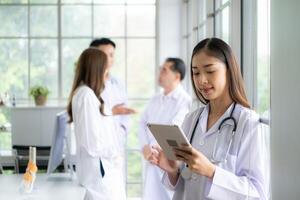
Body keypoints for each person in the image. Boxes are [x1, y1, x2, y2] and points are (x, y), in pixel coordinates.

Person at [150, 38, 270, 199]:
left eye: (210, 71)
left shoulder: (249, 123)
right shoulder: (191, 119)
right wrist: (172, 170)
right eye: (196, 72)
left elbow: (257, 193)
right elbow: (184, 182)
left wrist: (211, 171)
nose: (202, 80)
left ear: (229, 70)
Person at [67, 48, 126, 200]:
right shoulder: (86, 95)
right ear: (97, 69)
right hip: (99, 172)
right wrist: (114, 153)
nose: (107, 71)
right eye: (105, 67)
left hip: (102, 170)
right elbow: (92, 143)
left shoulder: (89, 95)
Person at [138, 58, 192, 200]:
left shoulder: (185, 101)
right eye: (160, 68)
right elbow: (142, 123)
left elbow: (174, 130)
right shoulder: (155, 99)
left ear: (177, 76)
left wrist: (153, 147)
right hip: (152, 159)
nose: (160, 73)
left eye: (164, 70)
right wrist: (145, 146)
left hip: (169, 163)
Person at [90, 38, 135, 186]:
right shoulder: (88, 87)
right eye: (105, 54)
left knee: (116, 188)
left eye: (112, 54)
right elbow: (89, 118)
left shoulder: (118, 83)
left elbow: (125, 115)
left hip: (117, 148)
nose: (110, 59)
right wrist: (112, 111)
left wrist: (121, 133)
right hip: (98, 152)